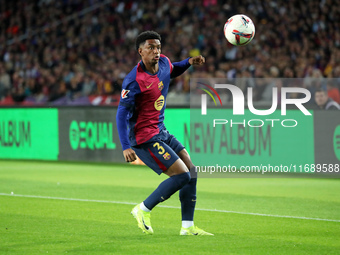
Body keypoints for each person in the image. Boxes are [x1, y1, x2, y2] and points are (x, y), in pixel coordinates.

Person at [116, 31, 213, 236]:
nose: (156, 51)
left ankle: (187, 227)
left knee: (191, 171)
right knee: (182, 176)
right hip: (144, 138)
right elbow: (121, 113)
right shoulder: (134, 80)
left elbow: (172, 69)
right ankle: (142, 209)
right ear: (140, 51)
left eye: (158, 47)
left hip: (161, 130)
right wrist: (125, 146)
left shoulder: (163, 63)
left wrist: (188, 62)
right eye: (151, 47)